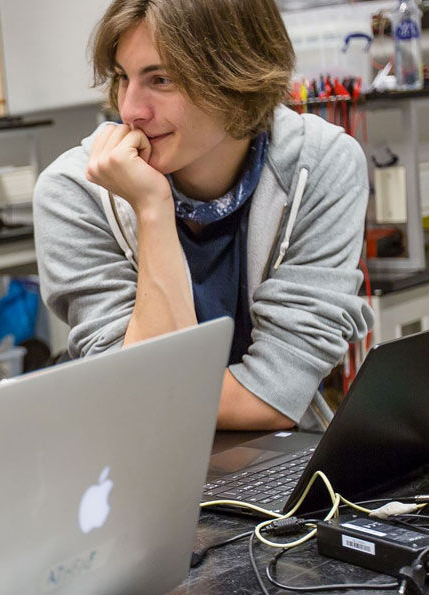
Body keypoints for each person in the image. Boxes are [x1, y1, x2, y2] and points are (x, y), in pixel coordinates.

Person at [33, 0, 373, 432]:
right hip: (137, 464)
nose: (131, 109)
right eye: (123, 77)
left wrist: (162, 396)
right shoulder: (74, 190)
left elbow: (277, 395)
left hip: (281, 457)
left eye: (161, 79)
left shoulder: (322, 163)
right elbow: (142, 404)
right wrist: (151, 209)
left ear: (237, 76)